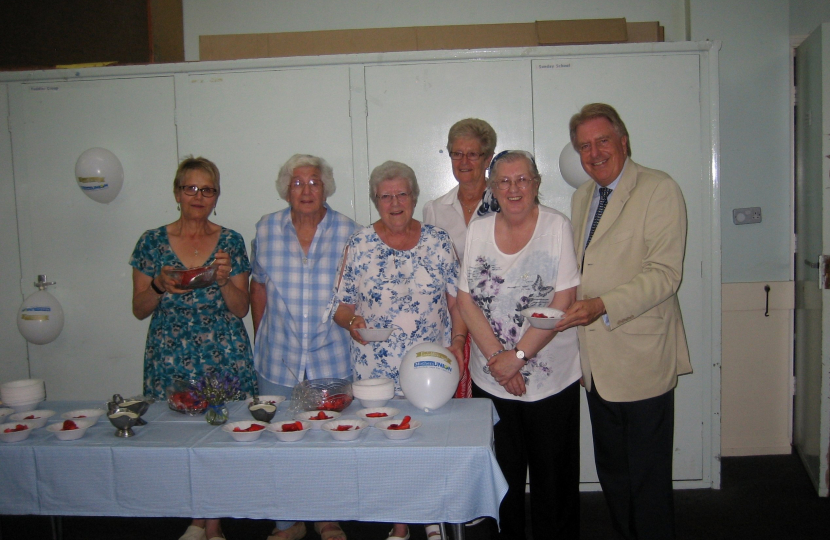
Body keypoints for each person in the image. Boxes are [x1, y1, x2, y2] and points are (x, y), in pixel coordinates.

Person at [556, 103, 692, 540]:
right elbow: (582, 272)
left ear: (623, 141)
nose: (593, 153)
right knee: (613, 473)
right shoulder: (582, 197)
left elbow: (665, 274)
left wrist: (601, 305)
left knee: (647, 480)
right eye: (584, 146)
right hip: (597, 363)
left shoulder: (658, 189)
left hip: (642, 359)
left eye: (602, 141)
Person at [333, 160, 464, 540]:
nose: (394, 203)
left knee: (428, 440)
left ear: (413, 197)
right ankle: (398, 520)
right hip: (375, 367)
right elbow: (341, 306)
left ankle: (432, 514)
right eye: (385, 196)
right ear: (375, 200)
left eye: (401, 194)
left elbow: (457, 303)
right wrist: (353, 324)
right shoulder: (358, 243)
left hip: (429, 364)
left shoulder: (438, 241)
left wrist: (456, 343)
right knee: (385, 444)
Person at [130, 156, 257, 540]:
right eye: (191, 188)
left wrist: (222, 281)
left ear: (217, 196)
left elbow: (241, 309)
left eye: (208, 189)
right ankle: (196, 513)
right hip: (170, 351)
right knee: (178, 436)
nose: (199, 196)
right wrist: (158, 286)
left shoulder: (230, 240)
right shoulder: (151, 242)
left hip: (223, 349)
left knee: (222, 436)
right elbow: (138, 309)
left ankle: (210, 521)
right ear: (177, 193)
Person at [457, 150, 581, 540]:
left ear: (537, 183)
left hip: (550, 382)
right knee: (502, 482)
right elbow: (466, 299)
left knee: (553, 483)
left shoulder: (556, 226)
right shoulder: (478, 229)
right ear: (492, 188)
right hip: (492, 378)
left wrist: (519, 357)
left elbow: (563, 300)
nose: (514, 189)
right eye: (504, 182)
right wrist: (499, 358)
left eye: (522, 179)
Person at [250, 154, 359, 540]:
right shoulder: (265, 230)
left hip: (331, 355)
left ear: (326, 187)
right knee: (281, 439)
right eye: (298, 182)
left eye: (314, 182)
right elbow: (258, 286)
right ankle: (288, 520)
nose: (306, 190)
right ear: (286, 189)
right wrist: (262, 333)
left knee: (329, 439)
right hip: (277, 358)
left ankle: (327, 518)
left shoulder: (349, 231)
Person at [423, 118, 498, 399]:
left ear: (488, 158)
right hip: (454, 329)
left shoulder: (506, 206)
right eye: (457, 153)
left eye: (473, 154)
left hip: (497, 326)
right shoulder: (434, 210)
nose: (464, 161)